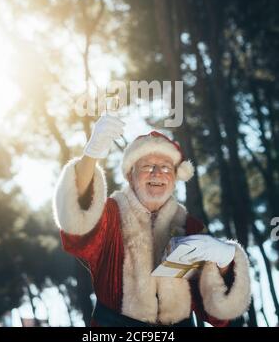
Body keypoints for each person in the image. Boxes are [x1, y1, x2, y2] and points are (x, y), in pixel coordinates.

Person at [53, 115, 251, 327]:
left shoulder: (191, 227)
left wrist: (224, 261)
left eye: (166, 167)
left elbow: (217, 311)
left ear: (175, 178)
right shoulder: (110, 214)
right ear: (130, 176)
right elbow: (77, 222)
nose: (157, 173)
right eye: (147, 166)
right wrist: (90, 156)